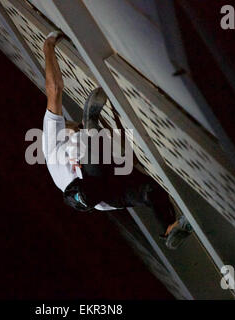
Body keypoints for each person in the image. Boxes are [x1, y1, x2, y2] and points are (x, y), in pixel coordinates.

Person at [41, 31, 192, 249]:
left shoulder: (57, 154)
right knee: (93, 146)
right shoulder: (52, 144)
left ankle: (170, 229)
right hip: (95, 181)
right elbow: (53, 89)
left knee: (150, 192)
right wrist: (48, 45)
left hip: (104, 196)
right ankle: (90, 120)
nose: (70, 125)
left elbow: (123, 175)